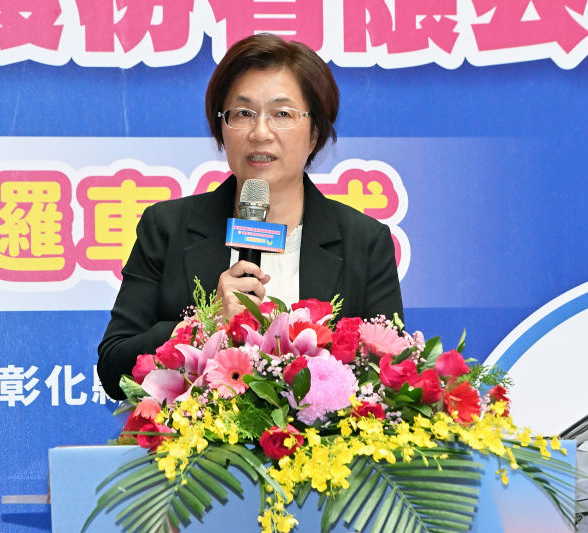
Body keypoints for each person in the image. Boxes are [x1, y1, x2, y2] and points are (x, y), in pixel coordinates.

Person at [98, 34, 403, 400]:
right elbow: (113, 369)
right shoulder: (167, 228)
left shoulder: (363, 242)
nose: (260, 133)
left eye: (282, 114)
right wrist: (205, 324)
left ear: (314, 133)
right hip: (196, 439)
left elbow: (391, 381)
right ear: (222, 128)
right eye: (243, 114)